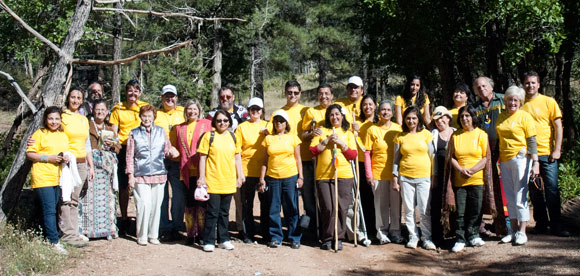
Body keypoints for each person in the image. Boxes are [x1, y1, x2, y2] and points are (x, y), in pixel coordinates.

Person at [521, 71, 569, 237]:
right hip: (527, 155)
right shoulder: (520, 103)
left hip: (547, 154)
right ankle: (541, 224)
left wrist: (557, 149)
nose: (530, 86)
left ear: (539, 85)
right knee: (534, 191)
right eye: (527, 83)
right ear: (523, 85)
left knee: (552, 189)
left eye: (533, 83)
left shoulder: (549, 102)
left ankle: (557, 225)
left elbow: (558, 126)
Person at [126, 105, 179, 246]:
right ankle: (142, 235)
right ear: (140, 117)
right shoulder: (134, 133)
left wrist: (172, 152)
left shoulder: (161, 132)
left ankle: (153, 235)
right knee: (144, 204)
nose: (147, 119)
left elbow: (166, 150)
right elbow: (130, 156)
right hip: (140, 174)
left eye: (150, 116)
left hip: (159, 173)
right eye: (144, 116)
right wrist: (130, 175)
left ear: (154, 117)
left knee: (156, 206)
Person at [444, 105, 492, 252]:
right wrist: (460, 169)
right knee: (460, 211)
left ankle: (474, 235)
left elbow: (486, 157)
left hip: (476, 178)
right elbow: (450, 157)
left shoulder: (481, 134)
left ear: (473, 117)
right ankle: (460, 238)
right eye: (462, 116)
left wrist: (472, 170)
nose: (464, 119)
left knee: (475, 209)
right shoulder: (455, 135)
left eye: (467, 116)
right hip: (460, 179)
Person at [310, 104, 357, 251]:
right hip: (324, 175)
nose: (334, 117)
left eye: (337, 114)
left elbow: (353, 155)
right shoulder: (321, 131)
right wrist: (326, 141)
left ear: (342, 116)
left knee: (342, 207)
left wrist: (341, 143)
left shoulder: (347, 133)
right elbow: (312, 151)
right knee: (328, 208)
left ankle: (339, 237)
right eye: (331, 115)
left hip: (344, 175)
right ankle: (328, 237)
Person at [496, 85, 539, 245]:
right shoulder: (501, 117)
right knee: (510, 196)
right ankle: (512, 230)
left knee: (521, 196)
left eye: (515, 100)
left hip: (521, 159)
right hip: (505, 160)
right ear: (505, 101)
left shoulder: (525, 117)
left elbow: (532, 140)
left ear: (520, 102)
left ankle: (522, 231)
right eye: (509, 100)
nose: (512, 103)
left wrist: (535, 163)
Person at [197, 110, 244, 252]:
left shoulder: (232, 136)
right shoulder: (208, 136)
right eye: (219, 120)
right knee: (212, 212)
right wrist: (202, 177)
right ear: (214, 122)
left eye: (225, 120)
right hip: (213, 180)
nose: (222, 123)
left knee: (224, 212)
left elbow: (237, 157)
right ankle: (209, 240)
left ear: (229, 121)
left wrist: (240, 175)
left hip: (228, 181)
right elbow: (202, 158)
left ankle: (224, 239)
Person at [205, 86, 248, 238]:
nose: (225, 99)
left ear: (233, 97)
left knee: (239, 199)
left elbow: (249, 128)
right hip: (217, 162)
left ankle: (240, 228)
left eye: (228, 97)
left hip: (237, 157)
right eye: (222, 97)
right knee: (216, 202)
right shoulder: (211, 114)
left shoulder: (242, 112)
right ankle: (214, 232)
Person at [26, 106, 70, 254]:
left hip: (57, 178)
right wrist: (48, 158)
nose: (54, 122)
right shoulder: (39, 134)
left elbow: (65, 151)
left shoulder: (62, 135)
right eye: (51, 119)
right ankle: (53, 241)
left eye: (57, 119)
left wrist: (66, 157)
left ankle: (44, 237)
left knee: (51, 209)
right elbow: (30, 154)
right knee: (50, 210)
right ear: (45, 119)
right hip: (42, 177)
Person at [270, 81, 310, 239]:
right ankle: (279, 234)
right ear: (285, 93)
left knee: (308, 200)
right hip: (285, 165)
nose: (292, 95)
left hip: (306, 159)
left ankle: (308, 230)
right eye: (289, 92)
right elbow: (270, 133)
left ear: (300, 94)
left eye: (295, 92)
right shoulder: (278, 112)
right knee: (283, 202)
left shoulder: (306, 111)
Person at [392, 106, 436, 250]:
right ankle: (413, 236)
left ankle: (426, 238)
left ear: (419, 119)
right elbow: (396, 160)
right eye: (408, 118)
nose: (411, 121)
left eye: (414, 118)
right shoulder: (399, 137)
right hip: (406, 177)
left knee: (424, 209)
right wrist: (395, 178)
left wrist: (433, 175)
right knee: (409, 209)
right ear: (404, 120)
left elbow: (432, 156)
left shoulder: (426, 134)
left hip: (424, 177)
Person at [110, 80, 149, 235]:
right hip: (123, 148)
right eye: (130, 90)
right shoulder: (118, 108)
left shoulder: (144, 107)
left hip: (140, 148)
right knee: (124, 185)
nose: (133, 93)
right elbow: (114, 131)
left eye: (136, 91)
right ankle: (124, 217)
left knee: (141, 182)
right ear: (126, 92)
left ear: (140, 93)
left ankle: (141, 217)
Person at [260, 110, 303, 249]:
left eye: (282, 121)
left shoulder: (293, 137)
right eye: (277, 121)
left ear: (286, 123)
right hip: (273, 177)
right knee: (274, 208)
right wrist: (262, 178)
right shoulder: (268, 139)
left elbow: (298, 158)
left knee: (291, 207)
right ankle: (276, 236)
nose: (279, 123)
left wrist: (300, 177)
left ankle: (294, 237)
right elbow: (265, 160)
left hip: (290, 176)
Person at [364, 100, 404, 244]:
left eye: (388, 110)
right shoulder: (372, 130)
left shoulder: (398, 129)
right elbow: (367, 153)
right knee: (380, 205)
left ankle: (395, 231)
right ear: (378, 112)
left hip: (395, 174)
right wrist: (369, 174)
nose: (385, 112)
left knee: (395, 204)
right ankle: (382, 231)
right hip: (378, 173)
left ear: (392, 113)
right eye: (383, 110)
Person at [81, 99, 121, 240]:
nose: (100, 112)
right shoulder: (86, 125)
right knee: (87, 200)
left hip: (105, 173)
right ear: (93, 110)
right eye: (98, 109)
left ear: (107, 112)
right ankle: (87, 231)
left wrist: (111, 145)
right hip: (90, 167)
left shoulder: (110, 128)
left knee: (106, 200)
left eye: (103, 110)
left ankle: (106, 230)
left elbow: (118, 147)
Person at [173, 100, 212, 244]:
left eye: (195, 109)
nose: (192, 112)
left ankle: (202, 234)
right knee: (189, 204)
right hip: (186, 170)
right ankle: (191, 233)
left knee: (202, 204)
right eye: (189, 109)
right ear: (185, 111)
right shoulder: (179, 128)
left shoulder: (206, 124)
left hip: (203, 170)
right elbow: (176, 147)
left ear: (199, 110)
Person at [472, 76, 506, 236]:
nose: (481, 89)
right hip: (483, 153)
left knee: (501, 188)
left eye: (484, 86)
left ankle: (503, 225)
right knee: (484, 188)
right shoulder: (475, 106)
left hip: (503, 150)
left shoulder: (503, 99)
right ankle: (483, 225)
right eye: (478, 87)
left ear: (491, 86)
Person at [60, 88, 94, 247]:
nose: (75, 100)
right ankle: (67, 235)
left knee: (75, 199)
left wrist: (91, 166)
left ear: (82, 101)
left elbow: (87, 144)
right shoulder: (62, 116)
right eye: (72, 97)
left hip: (82, 163)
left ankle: (74, 232)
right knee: (66, 198)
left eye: (78, 98)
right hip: (68, 162)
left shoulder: (84, 119)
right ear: (68, 98)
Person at [301, 83, 334, 240]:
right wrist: (311, 133)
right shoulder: (311, 112)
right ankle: (314, 226)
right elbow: (303, 135)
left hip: (331, 160)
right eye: (321, 94)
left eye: (327, 93)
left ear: (331, 95)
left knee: (328, 195)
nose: (324, 96)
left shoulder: (336, 110)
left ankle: (330, 226)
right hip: (313, 159)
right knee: (310, 194)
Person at [235, 97, 269, 243]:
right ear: (248, 111)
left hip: (265, 171)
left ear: (262, 111)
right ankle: (248, 233)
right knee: (247, 204)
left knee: (266, 203)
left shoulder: (269, 126)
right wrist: (239, 172)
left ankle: (266, 233)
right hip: (247, 170)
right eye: (252, 109)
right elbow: (237, 150)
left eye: (258, 109)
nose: (255, 111)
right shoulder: (242, 127)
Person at [155, 84, 187, 241]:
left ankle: (177, 224)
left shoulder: (183, 112)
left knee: (178, 195)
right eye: (166, 96)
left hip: (177, 160)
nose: (169, 98)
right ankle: (164, 226)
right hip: (159, 160)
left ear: (176, 97)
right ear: (162, 98)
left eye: (172, 95)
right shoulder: (156, 114)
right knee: (162, 195)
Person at [346, 94, 375, 246]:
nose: (367, 107)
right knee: (363, 197)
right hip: (360, 163)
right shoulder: (357, 123)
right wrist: (353, 130)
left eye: (370, 104)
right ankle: (366, 228)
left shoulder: (378, 123)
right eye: (365, 105)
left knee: (376, 198)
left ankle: (378, 227)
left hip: (377, 164)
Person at [429, 106, 455, 245]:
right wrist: (433, 177)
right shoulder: (432, 134)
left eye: (442, 118)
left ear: (448, 118)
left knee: (454, 205)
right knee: (436, 204)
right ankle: (437, 235)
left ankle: (453, 232)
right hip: (437, 176)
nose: (440, 121)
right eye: (437, 120)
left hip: (454, 176)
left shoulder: (457, 133)